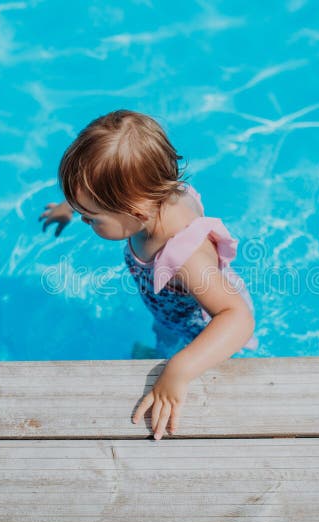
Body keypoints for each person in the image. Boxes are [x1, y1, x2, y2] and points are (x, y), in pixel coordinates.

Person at [39, 110, 258, 440]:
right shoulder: (158, 192)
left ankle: (170, 362)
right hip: (170, 307)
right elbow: (106, 189)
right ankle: (161, 351)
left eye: (92, 218)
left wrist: (179, 371)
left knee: (190, 359)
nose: (86, 223)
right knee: (163, 334)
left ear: (134, 211)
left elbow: (237, 318)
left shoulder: (185, 257)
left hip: (203, 322)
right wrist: (69, 207)